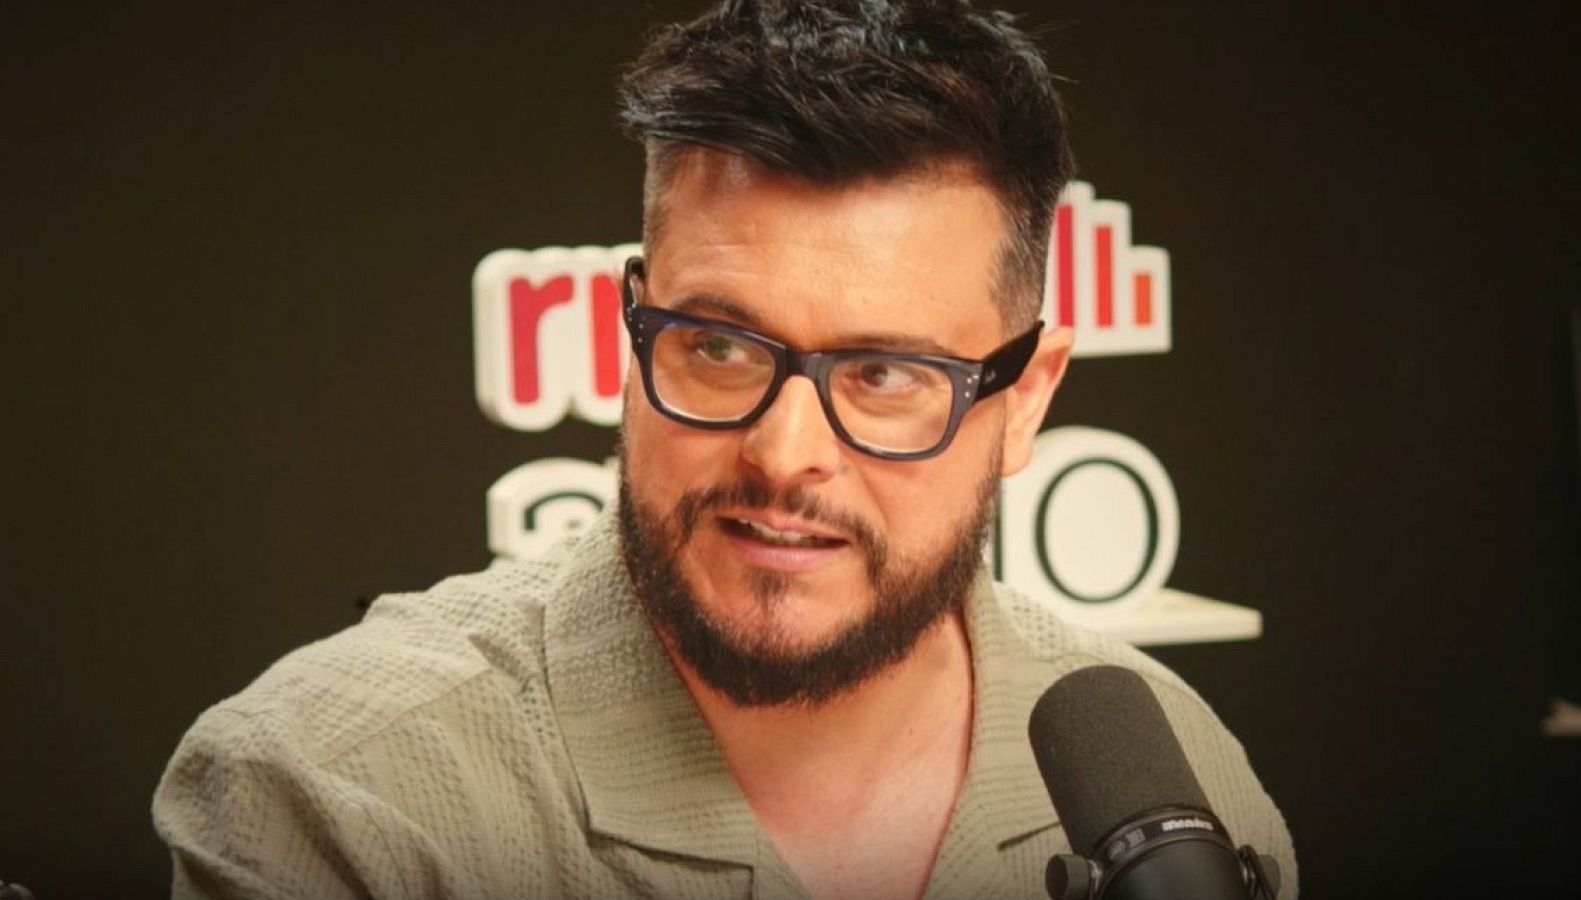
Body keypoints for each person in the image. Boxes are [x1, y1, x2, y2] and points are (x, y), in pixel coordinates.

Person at [153, 1, 1297, 897]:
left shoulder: (1187, 794)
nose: (783, 452)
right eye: (718, 347)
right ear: (629, 329)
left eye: (885, 374)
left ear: (1025, 399)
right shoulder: (332, 793)